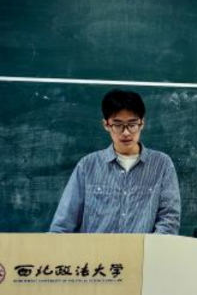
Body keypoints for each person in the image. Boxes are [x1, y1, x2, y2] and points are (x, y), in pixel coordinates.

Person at [50, 89, 181, 235]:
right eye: (118, 125)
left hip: (142, 250)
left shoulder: (162, 164)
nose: (126, 132)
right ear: (106, 125)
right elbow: (63, 224)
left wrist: (150, 248)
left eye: (132, 124)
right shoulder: (87, 166)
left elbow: (169, 220)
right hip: (95, 250)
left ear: (142, 123)